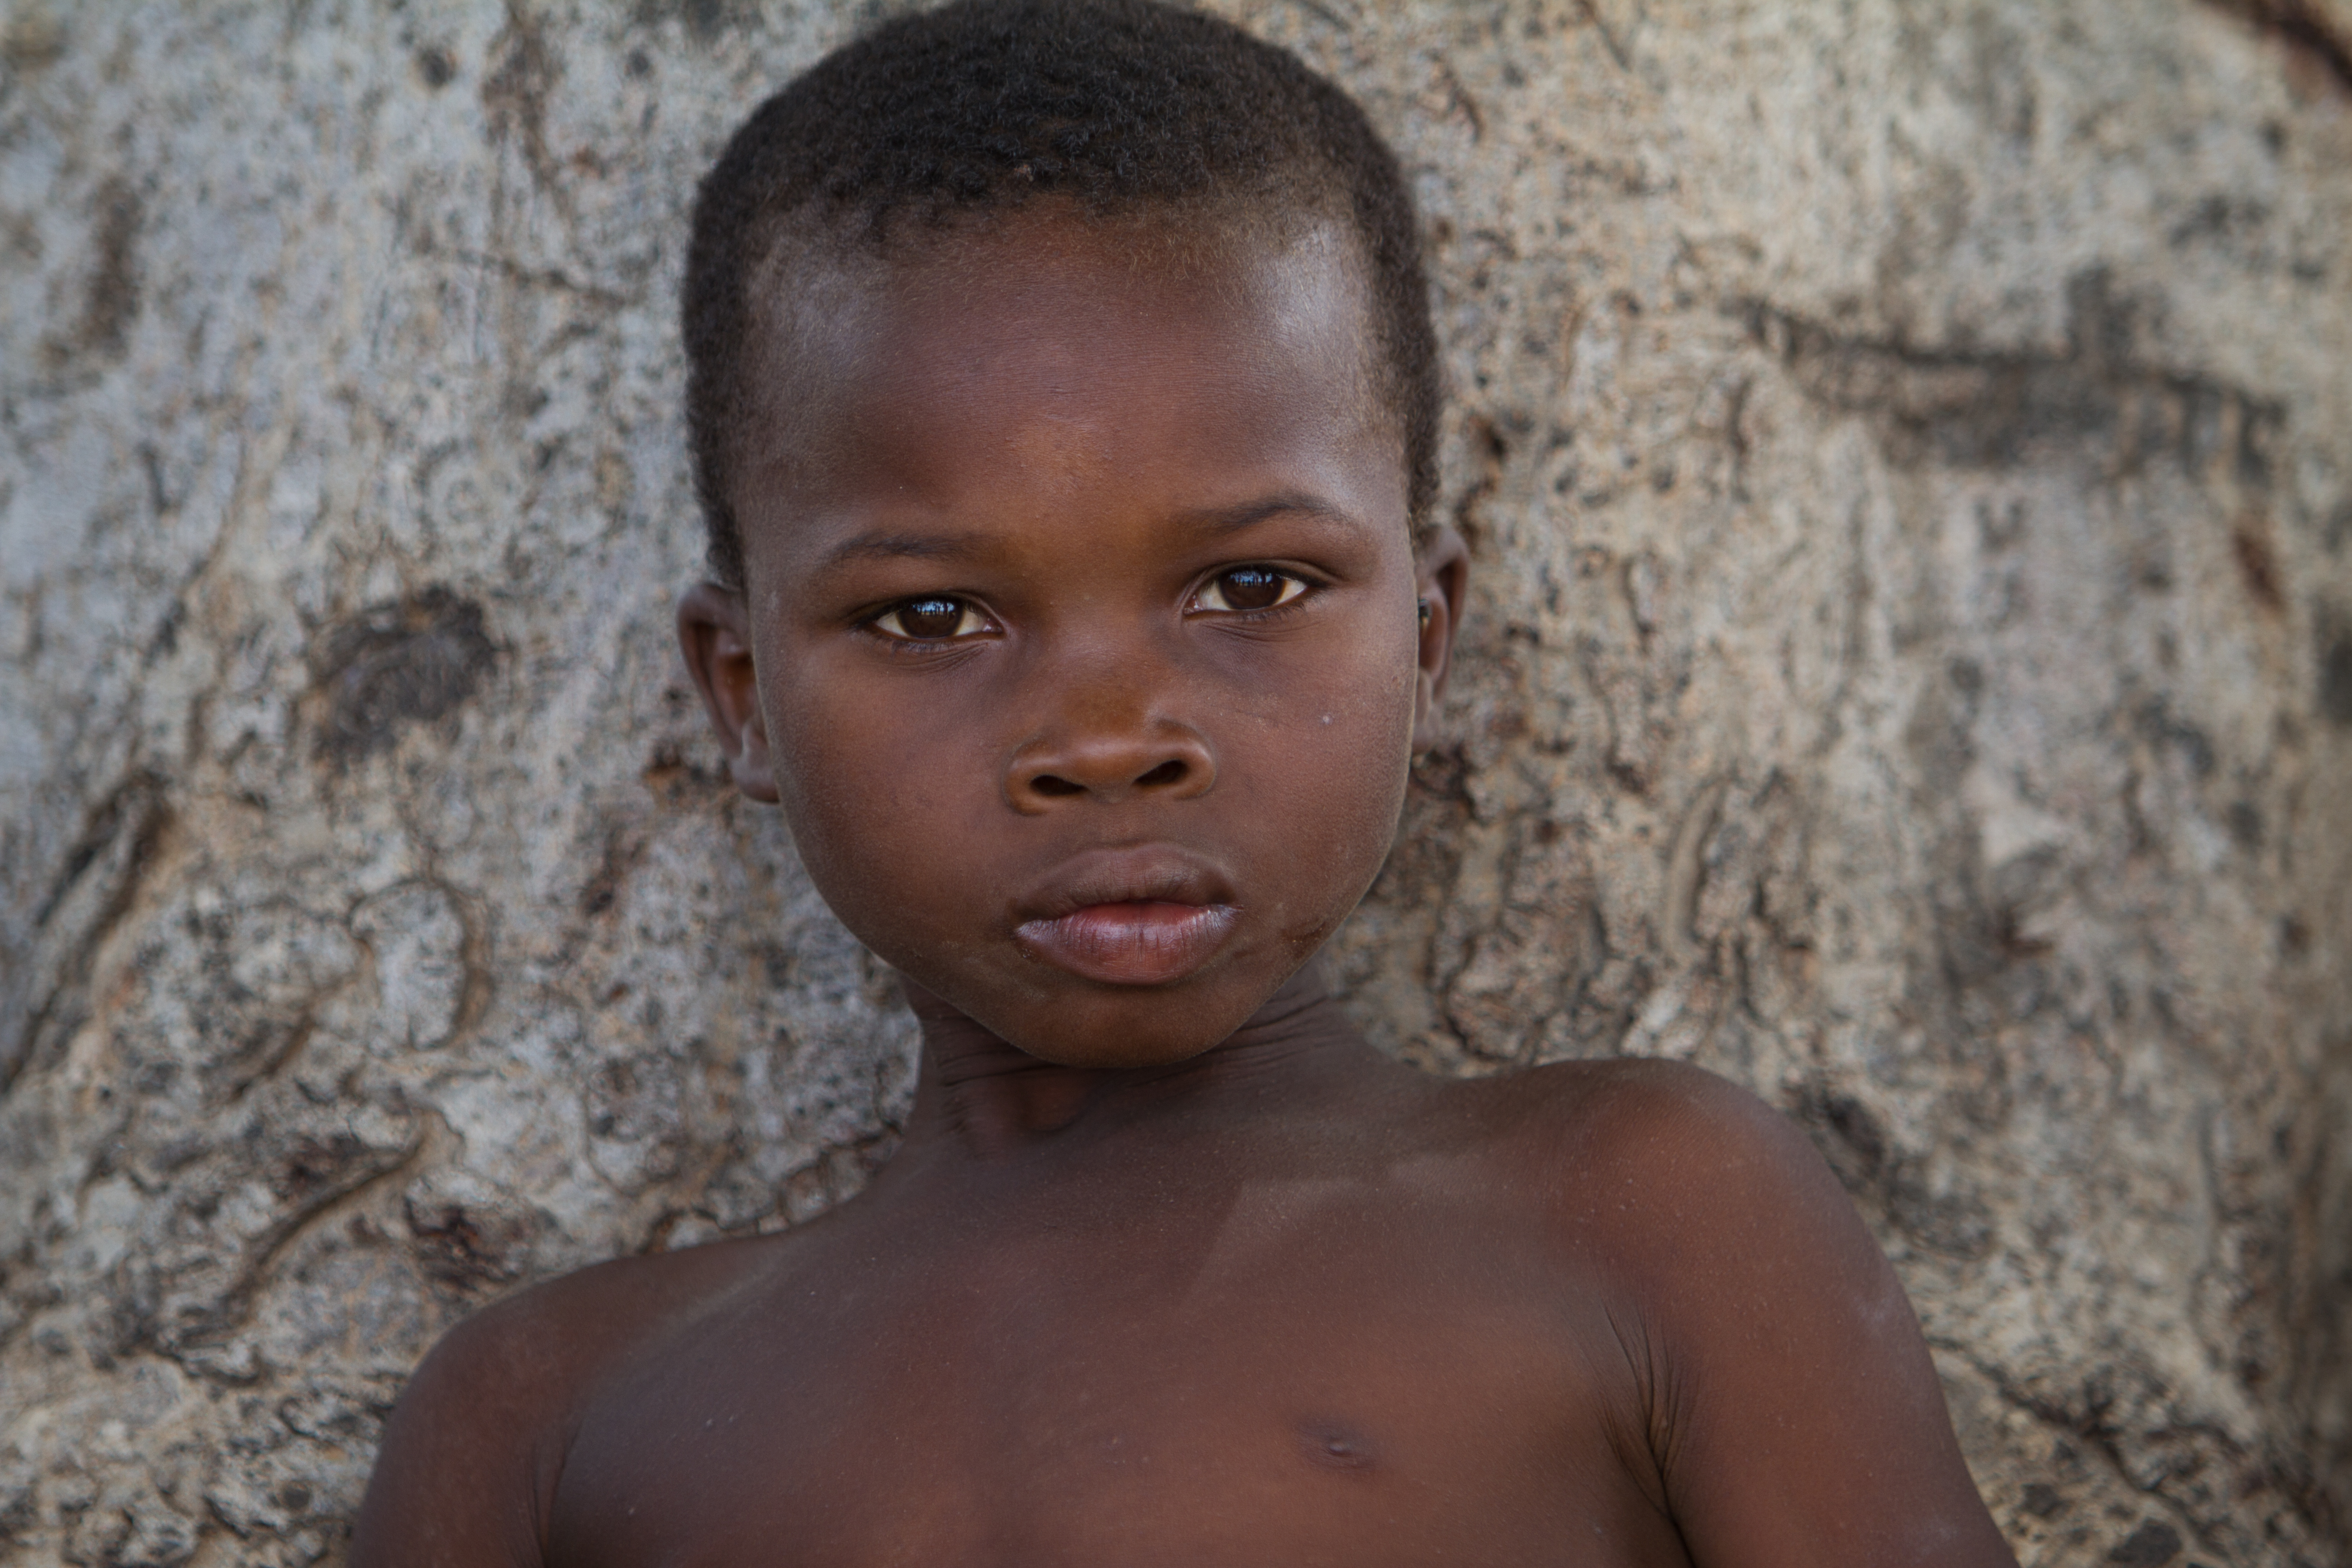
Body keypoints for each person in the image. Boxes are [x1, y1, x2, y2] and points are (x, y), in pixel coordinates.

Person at [352, 2, 2019, 1562]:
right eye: (932, 614)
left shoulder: (1649, 1216)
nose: (1111, 737)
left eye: (1253, 589)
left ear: (1427, 632)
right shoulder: (549, 1424)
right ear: (744, 695)